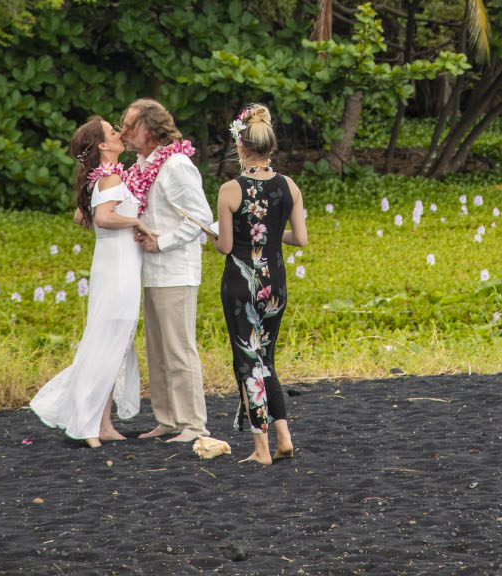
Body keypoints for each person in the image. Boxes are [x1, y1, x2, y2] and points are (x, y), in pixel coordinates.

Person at [30, 117, 154, 447]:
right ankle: (85, 424)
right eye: (114, 132)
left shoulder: (101, 177)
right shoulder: (110, 175)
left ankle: (104, 423)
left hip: (113, 262)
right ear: (102, 145)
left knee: (114, 341)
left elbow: (80, 215)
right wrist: (135, 222)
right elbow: (101, 217)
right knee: (107, 342)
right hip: (118, 268)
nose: (119, 135)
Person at [212, 104, 307, 466]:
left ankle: (262, 448)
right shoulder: (290, 186)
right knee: (265, 358)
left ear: (241, 146)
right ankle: (283, 438)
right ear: (270, 146)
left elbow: (223, 245)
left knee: (247, 362)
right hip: (276, 284)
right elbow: (300, 238)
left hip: (241, 283)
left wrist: (225, 237)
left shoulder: (229, 190)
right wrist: (268, 235)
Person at [120, 98, 213, 443]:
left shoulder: (175, 165)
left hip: (176, 271)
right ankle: (167, 419)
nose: (124, 132)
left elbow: (201, 217)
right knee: (156, 350)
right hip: (150, 273)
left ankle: (192, 425)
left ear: (148, 128)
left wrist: (163, 242)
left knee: (178, 350)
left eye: (130, 125)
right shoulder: (144, 165)